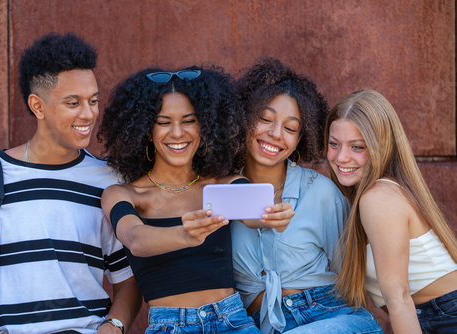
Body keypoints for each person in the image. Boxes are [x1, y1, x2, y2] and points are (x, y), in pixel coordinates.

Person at [0, 32, 142, 334]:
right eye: (73, 103)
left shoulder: (108, 182)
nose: (88, 114)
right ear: (38, 106)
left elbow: (129, 280)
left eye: (93, 101)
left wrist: (114, 326)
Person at [97, 65, 293, 333]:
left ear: (206, 127)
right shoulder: (124, 195)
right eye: (164, 122)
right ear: (145, 130)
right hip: (171, 326)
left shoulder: (223, 184)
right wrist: (185, 236)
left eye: (189, 121)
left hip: (232, 321)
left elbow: (254, 213)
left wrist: (273, 218)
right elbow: (135, 239)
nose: (177, 133)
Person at [231, 57, 383, 334]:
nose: (275, 134)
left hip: (326, 317)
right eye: (264, 119)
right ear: (244, 119)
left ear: (302, 137)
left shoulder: (322, 193)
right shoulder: (219, 194)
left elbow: (352, 281)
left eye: (290, 128)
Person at [325, 89, 457, 333]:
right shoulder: (377, 192)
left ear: (381, 146)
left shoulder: (378, 197)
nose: (342, 157)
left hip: (443, 317)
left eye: (357, 147)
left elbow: (399, 299)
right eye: (334, 144)